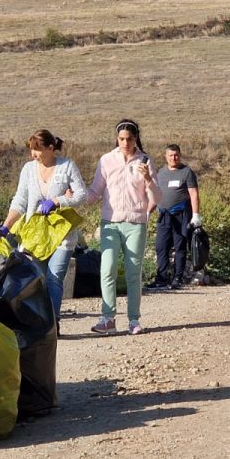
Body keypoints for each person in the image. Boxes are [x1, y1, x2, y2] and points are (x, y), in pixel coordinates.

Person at [0, 129, 88, 320]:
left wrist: (57, 201)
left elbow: (81, 194)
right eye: (31, 150)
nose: (33, 154)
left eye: (37, 150)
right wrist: (6, 226)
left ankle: (53, 323)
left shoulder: (67, 166)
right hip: (35, 236)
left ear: (50, 148)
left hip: (61, 235)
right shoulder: (29, 169)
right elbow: (20, 200)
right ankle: (39, 323)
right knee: (38, 280)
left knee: (54, 278)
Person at [84, 119, 160, 335]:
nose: (125, 143)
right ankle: (108, 318)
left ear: (136, 138)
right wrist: (74, 197)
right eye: (122, 139)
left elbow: (157, 196)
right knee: (106, 270)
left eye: (129, 138)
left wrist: (148, 179)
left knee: (133, 273)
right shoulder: (106, 160)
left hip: (136, 223)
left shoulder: (145, 161)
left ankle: (134, 320)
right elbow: (95, 192)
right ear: (116, 139)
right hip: (110, 222)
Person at [148, 144, 201, 290]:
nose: (174, 158)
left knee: (180, 246)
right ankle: (161, 279)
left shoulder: (186, 172)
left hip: (181, 215)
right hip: (164, 215)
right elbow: (155, 195)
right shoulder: (161, 173)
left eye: (176, 155)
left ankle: (178, 278)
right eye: (171, 155)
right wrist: (148, 212)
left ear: (180, 155)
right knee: (161, 247)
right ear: (166, 157)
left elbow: (194, 194)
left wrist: (196, 215)